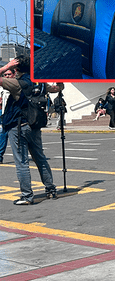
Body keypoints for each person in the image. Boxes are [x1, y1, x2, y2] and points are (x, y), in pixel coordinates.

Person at [0, 55, 63, 205]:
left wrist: (5, 67)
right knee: (40, 158)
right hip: (34, 124)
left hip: (18, 126)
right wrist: (60, 77)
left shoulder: (17, 83)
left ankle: (27, 196)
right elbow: (57, 88)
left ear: (16, 68)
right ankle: (51, 189)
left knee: (22, 162)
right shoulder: (39, 82)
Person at [0, 68, 14, 163]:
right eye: (5, 75)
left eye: (9, 74)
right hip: (4, 112)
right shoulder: (2, 86)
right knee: (3, 133)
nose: (7, 76)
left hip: (16, 113)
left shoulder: (17, 84)